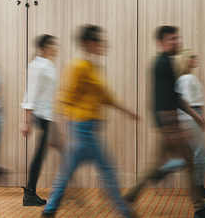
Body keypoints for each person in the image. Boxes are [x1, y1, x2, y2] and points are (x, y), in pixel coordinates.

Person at [123, 26, 205, 218]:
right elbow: (160, 100)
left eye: (177, 38)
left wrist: (195, 116)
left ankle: (129, 198)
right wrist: (172, 129)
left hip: (169, 126)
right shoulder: (161, 64)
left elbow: (175, 96)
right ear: (161, 42)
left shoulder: (167, 63)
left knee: (162, 165)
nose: (177, 41)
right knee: (184, 163)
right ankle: (200, 210)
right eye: (172, 39)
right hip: (168, 126)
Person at [41, 25, 138, 218]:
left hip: (87, 129)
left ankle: (49, 210)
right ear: (89, 43)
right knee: (108, 170)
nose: (102, 45)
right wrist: (58, 130)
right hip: (81, 129)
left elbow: (104, 96)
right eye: (98, 41)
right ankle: (125, 211)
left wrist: (126, 111)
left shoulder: (93, 67)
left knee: (66, 172)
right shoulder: (77, 66)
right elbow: (62, 98)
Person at [157, 49, 205, 199]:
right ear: (186, 60)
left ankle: (162, 170)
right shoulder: (187, 79)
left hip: (191, 117)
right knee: (201, 153)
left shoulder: (184, 78)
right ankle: (198, 188)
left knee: (190, 156)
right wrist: (197, 118)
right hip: (191, 117)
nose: (195, 58)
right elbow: (186, 104)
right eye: (192, 57)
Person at [20, 34, 59, 206]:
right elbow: (31, 93)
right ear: (44, 47)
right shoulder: (36, 65)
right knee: (40, 154)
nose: (55, 47)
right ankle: (29, 193)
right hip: (42, 115)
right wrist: (26, 121)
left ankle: (31, 192)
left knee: (43, 153)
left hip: (48, 115)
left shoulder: (49, 65)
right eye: (52, 44)